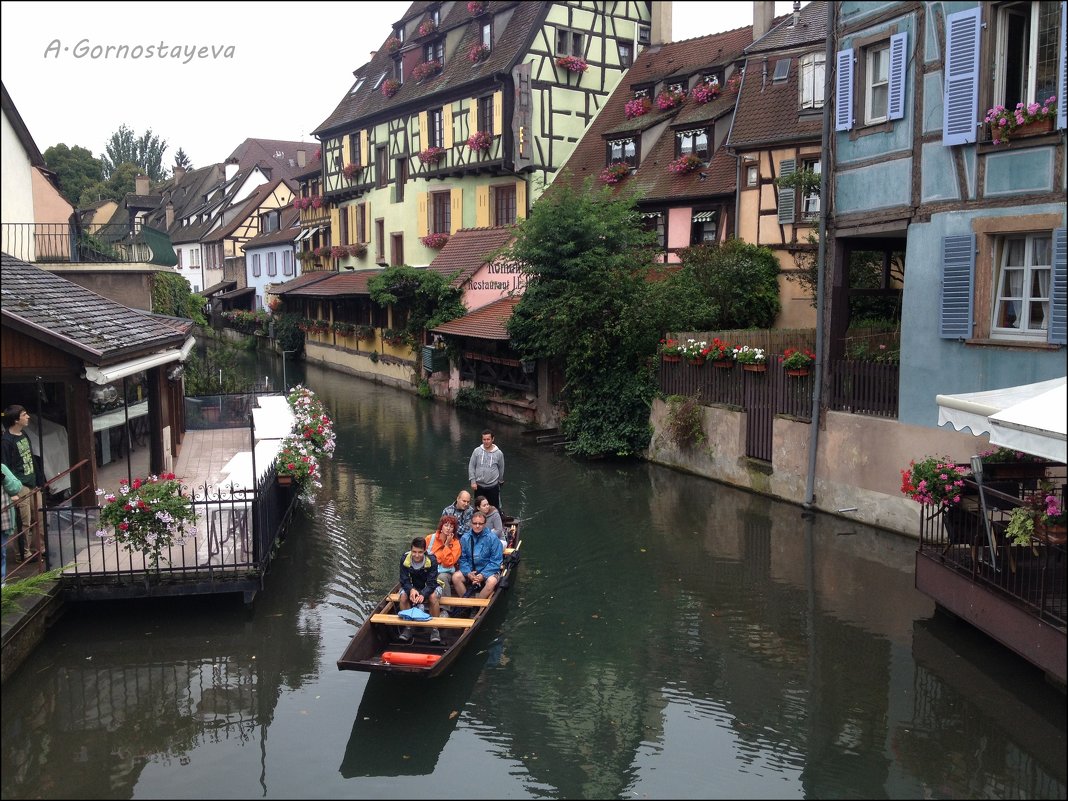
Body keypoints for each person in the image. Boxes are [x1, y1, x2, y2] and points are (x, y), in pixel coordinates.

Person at [1, 405, 42, 562]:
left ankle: (39, 548)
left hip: (31, 480)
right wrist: (12, 492)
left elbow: (31, 458)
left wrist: (39, 480)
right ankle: (23, 554)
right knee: (24, 521)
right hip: (20, 484)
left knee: (39, 516)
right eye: (24, 415)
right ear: (16, 419)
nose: (28, 417)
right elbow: (4, 467)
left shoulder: (23, 434)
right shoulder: (6, 441)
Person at [397, 536, 442, 644]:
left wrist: (422, 594)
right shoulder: (404, 558)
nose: (417, 555)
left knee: (432, 597)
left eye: (420, 552)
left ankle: (435, 629)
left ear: (425, 551)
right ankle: (408, 627)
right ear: (411, 550)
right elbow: (404, 580)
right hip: (412, 586)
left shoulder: (432, 560)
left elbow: (432, 583)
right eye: (414, 552)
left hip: (431, 587)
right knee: (403, 596)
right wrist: (411, 590)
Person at [451, 511, 503, 600]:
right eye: (475, 523)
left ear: (485, 524)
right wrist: (468, 573)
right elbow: (462, 559)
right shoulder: (465, 538)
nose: (477, 526)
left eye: (480, 523)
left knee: (492, 582)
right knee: (456, 577)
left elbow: (496, 561)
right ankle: (466, 604)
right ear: (471, 523)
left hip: (488, 571)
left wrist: (483, 575)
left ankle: (477, 606)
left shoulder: (493, 538)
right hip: (471, 571)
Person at [469, 429, 504, 515]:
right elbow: (471, 466)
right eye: (484, 439)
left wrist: (500, 481)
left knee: (494, 508)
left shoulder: (499, 453)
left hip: (493, 486)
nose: (486, 441)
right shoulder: (477, 451)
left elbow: (501, 468)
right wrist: (473, 481)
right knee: (478, 509)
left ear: (493, 439)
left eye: (488, 439)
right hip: (479, 486)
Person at [425, 514, 461, 597]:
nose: (448, 528)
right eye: (446, 525)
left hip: (445, 571)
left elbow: (448, 563)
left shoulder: (456, 543)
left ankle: (445, 607)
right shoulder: (430, 538)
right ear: (441, 526)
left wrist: (447, 545)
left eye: (451, 526)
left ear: (454, 529)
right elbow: (420, 554)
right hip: (429, 569)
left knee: (442, 578)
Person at [1, 463, 25, 585]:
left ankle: (2, 583)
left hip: (2, 520)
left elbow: (16, 487)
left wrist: (4, 478)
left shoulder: (2, 468)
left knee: (1, 552)